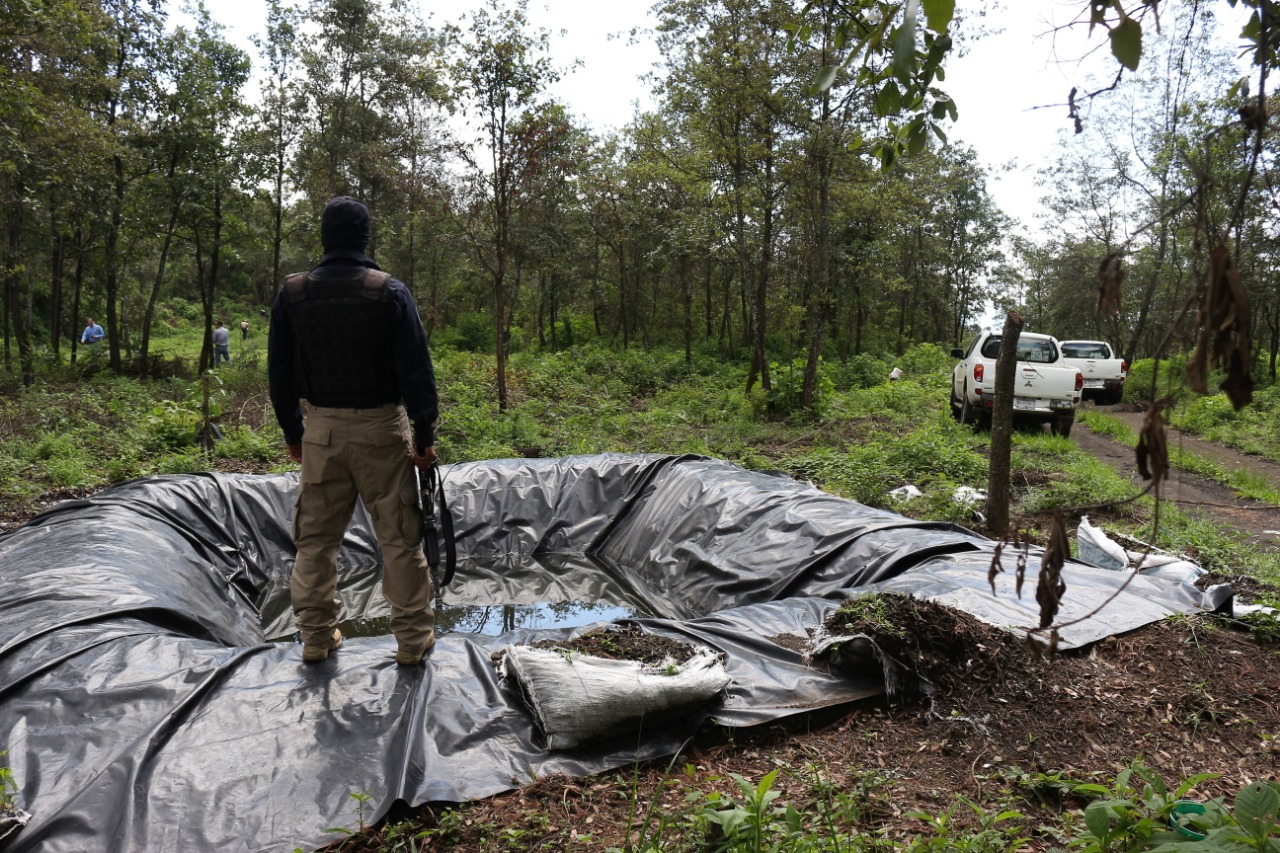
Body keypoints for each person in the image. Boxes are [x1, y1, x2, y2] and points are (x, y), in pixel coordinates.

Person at [268, 196, 440, 667]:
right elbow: (416, 373)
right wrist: (424, 436)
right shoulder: (389, 292)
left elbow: (279, 373)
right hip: (383, 431)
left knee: (314, 541)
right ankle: (410, 641)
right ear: (365, 237)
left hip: (319, 430)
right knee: (399, 540)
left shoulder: (294, 293)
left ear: (325, 237)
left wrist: (293, 432)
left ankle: (316, 638)